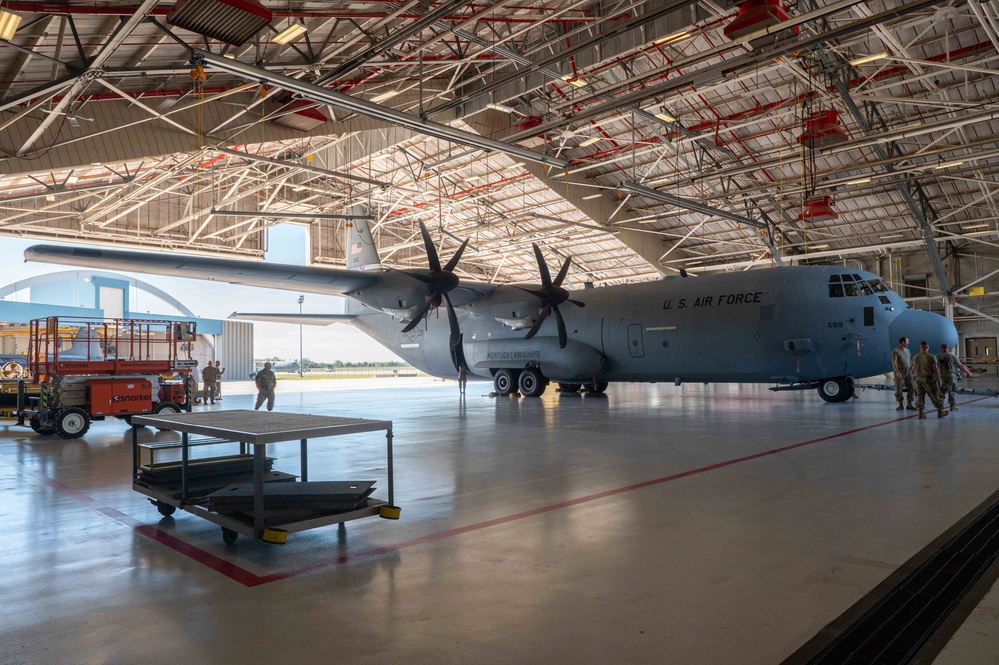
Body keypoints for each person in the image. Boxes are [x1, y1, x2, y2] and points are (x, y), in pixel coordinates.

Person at [911, 341, 948, 419]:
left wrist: (916, 376)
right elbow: (935, 369)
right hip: (928, 379)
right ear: (927, 347)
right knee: (935, 396)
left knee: (919, 396)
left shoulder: (915, 357)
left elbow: (913, 369)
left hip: (918, 380)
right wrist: (939, 379)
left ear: (920, 348)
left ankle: (921, 414)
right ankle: (940, 412)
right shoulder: (931, 357)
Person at [936, 343, 972, 411]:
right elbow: (960, 366)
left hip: (941, 376)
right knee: (952, 391)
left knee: (941, 391)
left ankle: (940, 405)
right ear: (948, 348)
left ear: (941, 348)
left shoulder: (937, 356)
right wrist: (968, 372)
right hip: (951, 376)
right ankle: (952, 406)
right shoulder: (952, 356)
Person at [892, 337, 916, 411]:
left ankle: (909, 404)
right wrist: (897, 372)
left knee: (912, 386)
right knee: (899, 388)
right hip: (900, 371)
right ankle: (900, 404)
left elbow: (910, 360)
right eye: (907, 341)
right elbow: (894, 362)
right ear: (902, 342)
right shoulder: (896, 351)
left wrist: (913, 370)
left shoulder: (907, 350)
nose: (908, 343)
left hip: (908, 371)